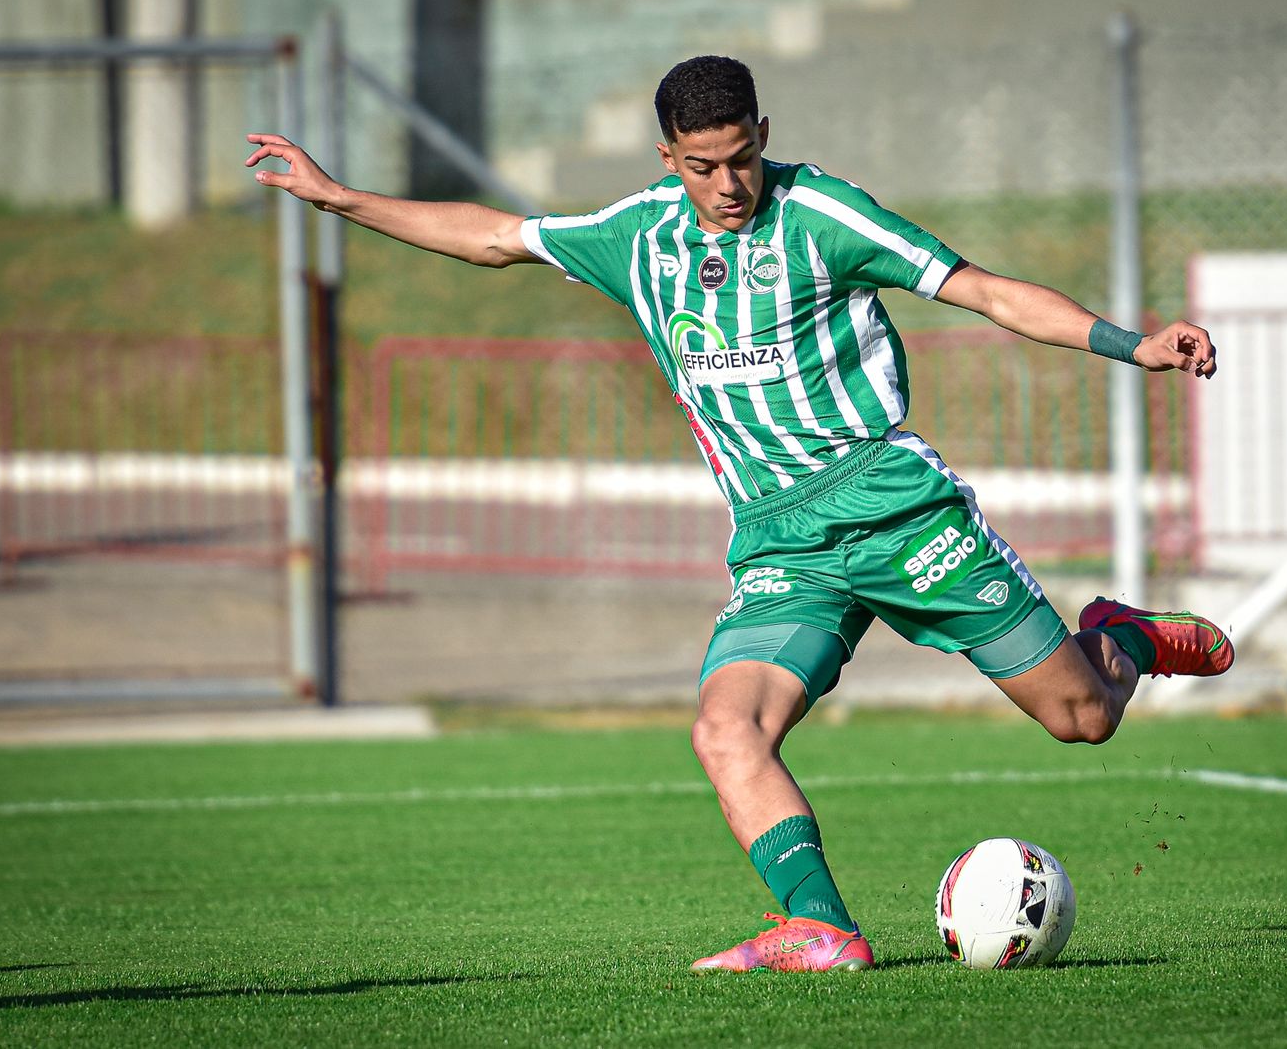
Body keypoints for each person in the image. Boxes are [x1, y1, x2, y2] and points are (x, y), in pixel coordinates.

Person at [246, 54, 1233, 974]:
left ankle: (1120, 638)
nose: (728, 185)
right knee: (726, 730)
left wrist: (1129, 344)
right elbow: (494, 237)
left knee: (1082, 717)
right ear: (668, 158)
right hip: (780, 546)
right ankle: (819, 927)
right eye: (704, 166)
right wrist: (336, 196)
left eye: (743, 159)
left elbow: (981, 291)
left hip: (898, 514)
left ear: (764, 133)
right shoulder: (639, 238)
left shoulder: (824, 216)